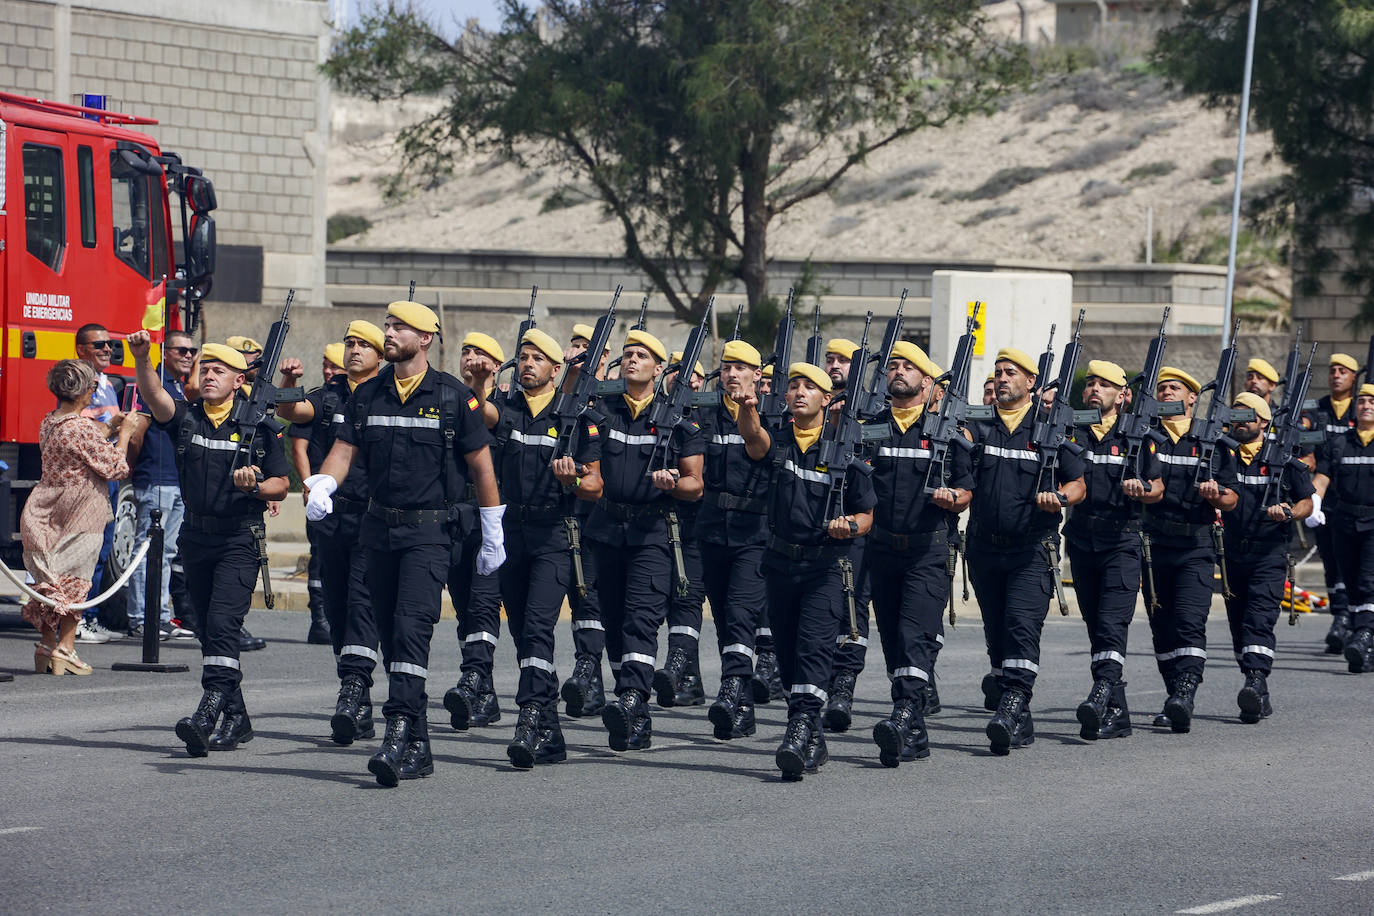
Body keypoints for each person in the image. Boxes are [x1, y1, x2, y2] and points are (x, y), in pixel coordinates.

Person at [305, 300, 504, 787]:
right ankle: (417, 739)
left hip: (428, 535)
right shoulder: (368, 394)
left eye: (399, 327)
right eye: (388, 325)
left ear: (427, 338)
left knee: (412, 628)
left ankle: (397, 731)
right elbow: (343, 450)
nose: (389, 333)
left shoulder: (455, 397)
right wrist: (324, 484)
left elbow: (481, 466)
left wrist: (493, 528)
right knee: (392, 639)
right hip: (378, 531)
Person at [128, 334, 291, 756]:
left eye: (220, 370)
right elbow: (154, 395)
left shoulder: (260, 426)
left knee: (222, 624)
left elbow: (282, 484)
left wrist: (256, 486)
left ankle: (209, 710)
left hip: (238, 537)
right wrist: (143, 358)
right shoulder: (187, 416)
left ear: (239, 380)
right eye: (206, 369)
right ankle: (237, 717)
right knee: (204, 626)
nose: (210, 375)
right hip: (196, 538)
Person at [749, 362, 875, 779]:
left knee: (814, 647)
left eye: (810, 387)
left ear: (827, 399)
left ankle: (800, 726)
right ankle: (812, 738)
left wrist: (850, 525)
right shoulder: (779, 442)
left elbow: (866, 513)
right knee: (785, 655)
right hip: (781, 564)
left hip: (825, 566)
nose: (799, 392)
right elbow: (754, 440)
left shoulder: (844, 451)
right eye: (794, 386)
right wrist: (748, 407)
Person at [487, 328, 603, 767]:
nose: (528, 363)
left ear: (557, 370)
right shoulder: (507, 409)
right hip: (511, 532)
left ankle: (531, 715)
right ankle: (551, 731)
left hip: (555, 535)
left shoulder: (576, 418)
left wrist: (572, 478)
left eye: (537, 358)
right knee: (519, 631)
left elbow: (594, 484)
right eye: (523, 356)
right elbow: (476, 416)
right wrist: (480, 381)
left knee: (537, 627)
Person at [583, 329, 703, 752]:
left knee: (640, 618)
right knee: (613, 622)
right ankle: (630, 703)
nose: (631, 360)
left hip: (652, 533)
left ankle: (634, 698)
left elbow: (695, 484)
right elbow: (591, 466)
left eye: (641, 356)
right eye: (628, 354)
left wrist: (673, 483)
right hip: (606, 529)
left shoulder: (678, 422)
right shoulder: (602, 414)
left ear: (658, 368)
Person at [965, 347, 1086, 755]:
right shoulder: (979, 423)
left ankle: (1013, 702)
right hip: (983, 547)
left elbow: (1078, 483)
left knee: (1020, 625)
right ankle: (1018, 715)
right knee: (996, 632)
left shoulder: (1050, 428)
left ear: (1031, 382)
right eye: (997, 372)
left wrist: (1061, 499)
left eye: (1010, 372)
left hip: (1031, 549)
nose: (1001, 379)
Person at [276, 321, 386, 745]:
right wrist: (288, 381)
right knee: (338, 608)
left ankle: (353, 689)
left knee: (361, 602)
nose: (354, 350)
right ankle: (357, 699)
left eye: (363, 345)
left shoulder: (389, 394)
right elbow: (292, 411)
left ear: (380, 354)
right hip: (333, 515)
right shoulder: (332, 392)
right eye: (350, 343)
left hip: (373, 516)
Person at [866, 342, 971, 766]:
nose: (898, 372)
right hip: (882, 549)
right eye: (893, 366)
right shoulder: (872, 426)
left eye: (909, 367)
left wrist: (955, 499)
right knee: (892, 638)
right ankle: (914, 730)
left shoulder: (948, 434)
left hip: (928, 549)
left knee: (914, 635)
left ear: (929, 383)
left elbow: (967, 488)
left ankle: (904, 713)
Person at [1064, 360, 1164, 741]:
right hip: (1082, 540)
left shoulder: (1137, 435)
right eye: (1090, 383)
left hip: (1122, 540)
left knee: (1111, 622)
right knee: (1096, 626)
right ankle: (1118, 711)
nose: (1094, 389)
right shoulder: (1072, 431)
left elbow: (1157, 487)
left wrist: (1144, 490)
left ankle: (1101, 691)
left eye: (1104, 384)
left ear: (1123, 395)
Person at [20, 360, 138, 675]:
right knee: (75, 577)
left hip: (45, 505)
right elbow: (115, 467)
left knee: (50, 580)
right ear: (86, 391)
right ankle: (66, 648)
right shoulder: (82, 427)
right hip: (81, 508)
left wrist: (109, 427)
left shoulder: (51, 421)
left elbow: (77, 441)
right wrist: (124, 433)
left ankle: (47, 644)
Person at [1141, 367, 1238, 733]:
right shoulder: (1146, 437)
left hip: (1196, 543)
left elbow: (1231, 497)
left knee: (1189, 621)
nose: (1167, 392)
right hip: (1153, 545)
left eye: (1175, 387)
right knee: (1161, 625)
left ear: (1192, 397)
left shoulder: (1211, 440)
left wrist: (1218, 495)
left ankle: (1186, 691)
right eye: (1162, 388)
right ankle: (1173, 697)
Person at [694, 340, 771, 740]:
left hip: (753, 532)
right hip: (711, 529)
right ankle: (742, 708)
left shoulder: (769, 412)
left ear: (757, 374)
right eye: (726, 367)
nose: (732, 374)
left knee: (741, 613)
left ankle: (732, 686)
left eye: (741, 367)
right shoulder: (704, 412)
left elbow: (758, 448)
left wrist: (749, 409)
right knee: (724, 618)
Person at [1223, 393, 1313, 720]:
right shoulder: (1222, 455)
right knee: (1237, 624)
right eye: (1237, 415)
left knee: (1259, 618)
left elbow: (1306, 501)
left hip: (1269, 554)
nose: (1241, 421)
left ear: (1263, 422)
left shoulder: (1283, 459)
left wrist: (1288, 511)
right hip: (1231, 553)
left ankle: (1256, 681)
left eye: (1249, 416)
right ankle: (1257, 689)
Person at [442, 331, 510, 731]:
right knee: (466, 606)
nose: (471, 357)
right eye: (466, 351)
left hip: (487, 515)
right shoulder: (445, 397)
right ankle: (484, 694)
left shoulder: (498, 405)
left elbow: (480, 414)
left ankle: (472, 679)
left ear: (496, 365)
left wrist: (481, 386)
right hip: (454, 518)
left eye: (480, 353)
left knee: (484, 602)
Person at [126, 330, 198, 641]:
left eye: (192, 351)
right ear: (164, 353)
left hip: (176, 480)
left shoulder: (181, 389)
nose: (188, 355)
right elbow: (136, 430)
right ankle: (142, 617)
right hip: (155, 479)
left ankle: (160, 616)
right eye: (180, 350)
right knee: (147, 550)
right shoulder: (155, 383)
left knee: (165, 552)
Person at [558, 323, 612, 717]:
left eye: (589, 348)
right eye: (576, 345)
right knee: (579, 599)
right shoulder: (560, 398)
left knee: (594, 596)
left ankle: (591, 671)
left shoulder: (611, 400)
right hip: (562, 513)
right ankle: (588, 676)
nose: (581, 352)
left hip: (598, 514)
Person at [820, 336, 871, 732]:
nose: (835, 365)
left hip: (863, 528)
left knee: (853, 608)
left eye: (843, 360)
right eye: (830, 359)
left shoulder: (875, 411)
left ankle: (844, 684)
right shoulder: (815, 407)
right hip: (817, 527)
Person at [653, 350, 709, 707]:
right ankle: (689, 681)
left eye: (691, 374)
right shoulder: (657, 415)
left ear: (702, 384)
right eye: (675, 371)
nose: (683, 378)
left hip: (698, 522)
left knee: (686, 597)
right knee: (669, 599)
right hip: (659, 520)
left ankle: (677, 665)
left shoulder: (708, 417)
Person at [1312, 383, 1374, 674]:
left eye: (1372, 401)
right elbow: (1322, 479)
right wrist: (1312, 504)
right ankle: (1363, 639)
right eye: (1362, 401)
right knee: (1349, 582)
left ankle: (1363, 634)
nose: (1366, 406)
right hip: (1344, 522)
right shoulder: (1340, 443)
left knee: (1367, 580)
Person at [73, 323, 126, 645]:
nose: (108, 349)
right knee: (86, 551)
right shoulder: (80, 383)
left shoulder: (105, 382)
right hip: (89, 479)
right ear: (81, 349)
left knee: (102, 550)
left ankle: (89, 616)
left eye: (110, 345)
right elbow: (81, 429)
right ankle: (77, 619)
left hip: (108, 476)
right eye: (100, 345)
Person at [1307, 353, 1360, 653]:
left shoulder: (1363, 408)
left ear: (1354, 377)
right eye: (1333, 370)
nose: (1336, 375)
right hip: (1325, 498)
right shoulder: (1317, 408)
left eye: (1343, 371)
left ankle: (1354, 618)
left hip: (1355, 496)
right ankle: (1339, 617)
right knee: (1331, 561)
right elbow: (1305, 440)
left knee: (1355, 564)